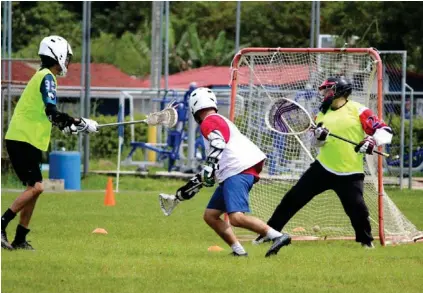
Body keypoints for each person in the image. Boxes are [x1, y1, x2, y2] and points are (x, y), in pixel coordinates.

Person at [254, 76, 393, 248]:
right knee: (292, 199)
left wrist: (372, 141)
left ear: (340, 91)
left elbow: (385, 131)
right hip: (323, 168)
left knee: (358, 210)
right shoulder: (321, 113)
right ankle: (269, 233)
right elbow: (315, 143)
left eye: (329, 89)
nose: (325, 93)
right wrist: (319, 138)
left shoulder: (358, 110)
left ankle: (366, 242)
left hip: (350, 172)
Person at [1, 36, 98, 250]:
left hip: (28, 139)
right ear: (59, 57)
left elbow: (50, 117)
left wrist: (67, 126)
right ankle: (2, 223)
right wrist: (79, 122)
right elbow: (51, 112)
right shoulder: (47, 78)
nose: (68, 63)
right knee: (36, 187)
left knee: (34, 188)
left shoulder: (43, 76)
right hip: (23, 138)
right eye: (68, 58)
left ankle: (20, 239)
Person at [174, 87, 291, 257]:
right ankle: (239, 251)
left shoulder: (209, 121)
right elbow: (218, 160)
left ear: (193, 108)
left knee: (236, 218)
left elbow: (218, 144)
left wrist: (209, 167)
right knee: (211, 215)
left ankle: (278, 236)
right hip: (235, 170)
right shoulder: (218, 119)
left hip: (237, 170)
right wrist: (192, 185)